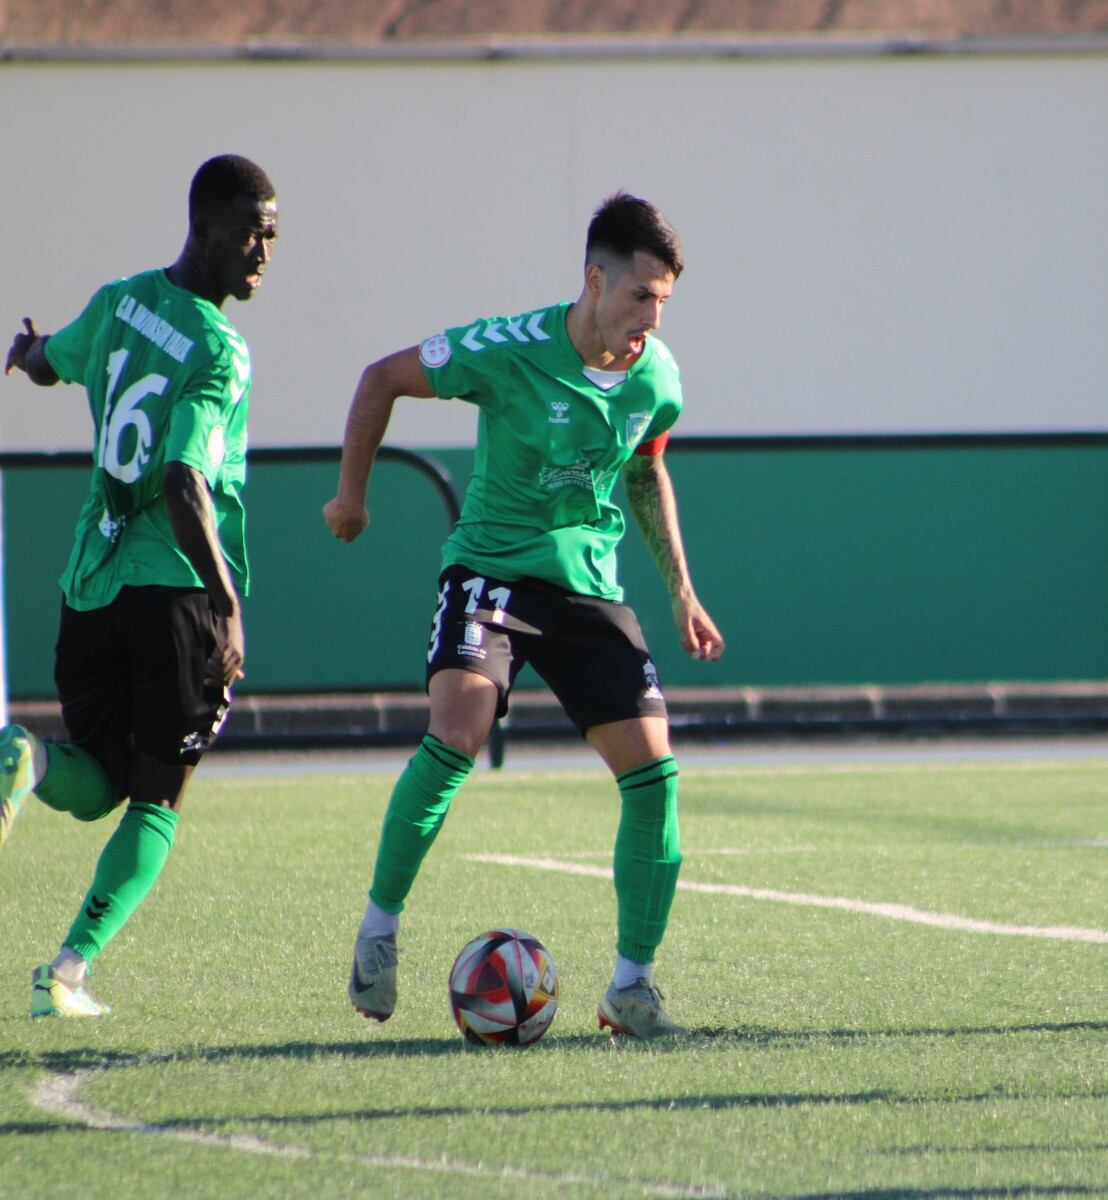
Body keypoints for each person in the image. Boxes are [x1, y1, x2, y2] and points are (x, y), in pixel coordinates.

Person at [324, 192, 724, 1041]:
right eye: (640, 296)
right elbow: (381, 379)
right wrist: (350, 496)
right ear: (593, 280)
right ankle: (379, 931)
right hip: (493, 576)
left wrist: (682, 591)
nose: (651, 317)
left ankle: (632, 988)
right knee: (458, 732)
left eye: (664, 302)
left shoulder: (658, 376)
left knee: (655, 778)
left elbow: (648, 471)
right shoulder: (505, 350)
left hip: (587, 591)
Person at [1, 155, 278, 1018]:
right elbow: (183, 480)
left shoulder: (120, 300)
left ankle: (22, 756)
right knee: (159, 796)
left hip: (89, 589)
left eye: (271, 234)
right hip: (172, 598)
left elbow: (56, 363)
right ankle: (67, 972)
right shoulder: (219, 349)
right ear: (201, 229)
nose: (261, 251)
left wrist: (28, 350)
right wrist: (225, 601)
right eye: (247, 232)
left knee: (99, 780)